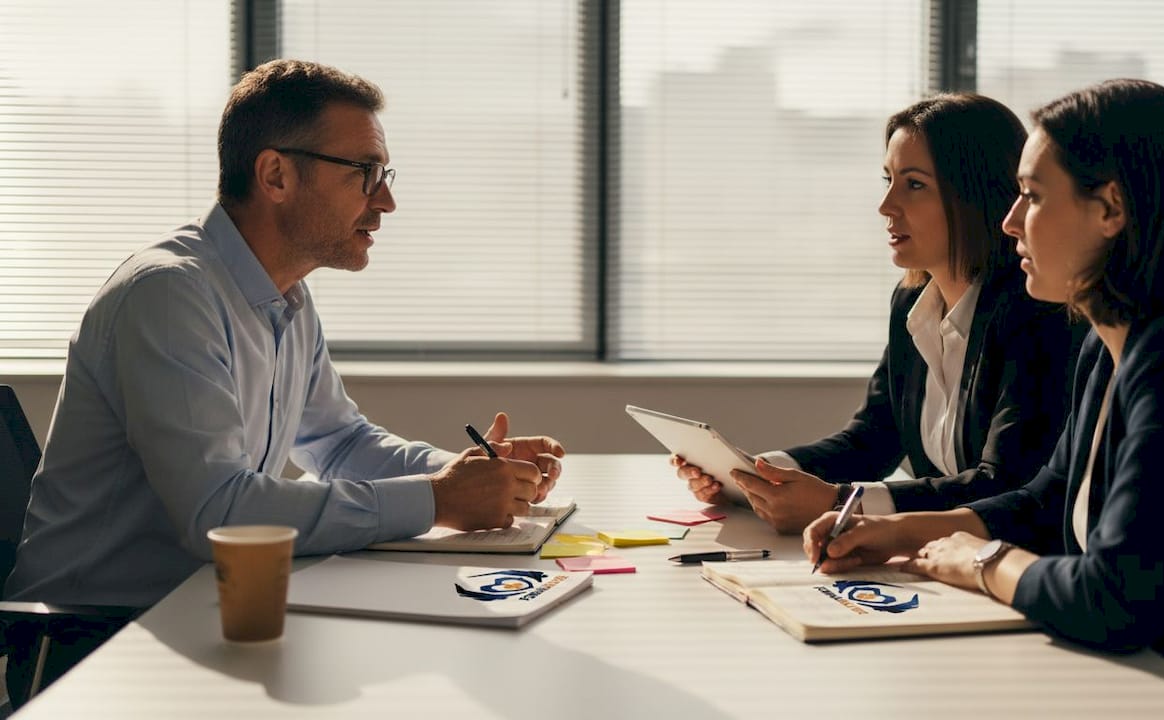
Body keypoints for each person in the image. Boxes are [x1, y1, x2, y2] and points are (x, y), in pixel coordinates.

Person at [3, 59, 563, 705]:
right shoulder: (168, 294)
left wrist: (472, 475)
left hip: (208, 613)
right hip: (98, 642)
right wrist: (439, 499)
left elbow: (338, 442)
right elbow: (220, 513)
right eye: (364, 173)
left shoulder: (284, 296)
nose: (385, 200)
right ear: (275, 174)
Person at [806, 79, 1164, 714]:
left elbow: (1113, 598)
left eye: (1033, 196)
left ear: (1111, 208)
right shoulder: (1110, 341)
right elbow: (1045, 503)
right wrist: (899, 531)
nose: (1010, 220)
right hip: (1134, 682)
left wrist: (980, 560)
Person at [675, 94, 1087, 533]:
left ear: (974, 193)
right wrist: (758, 474)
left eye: (913, 185)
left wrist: (840, 503)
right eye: (887, 180)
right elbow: (872, 440)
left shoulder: (1038, 316)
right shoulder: (912, 303)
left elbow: (1006, 484)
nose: (886, 205)